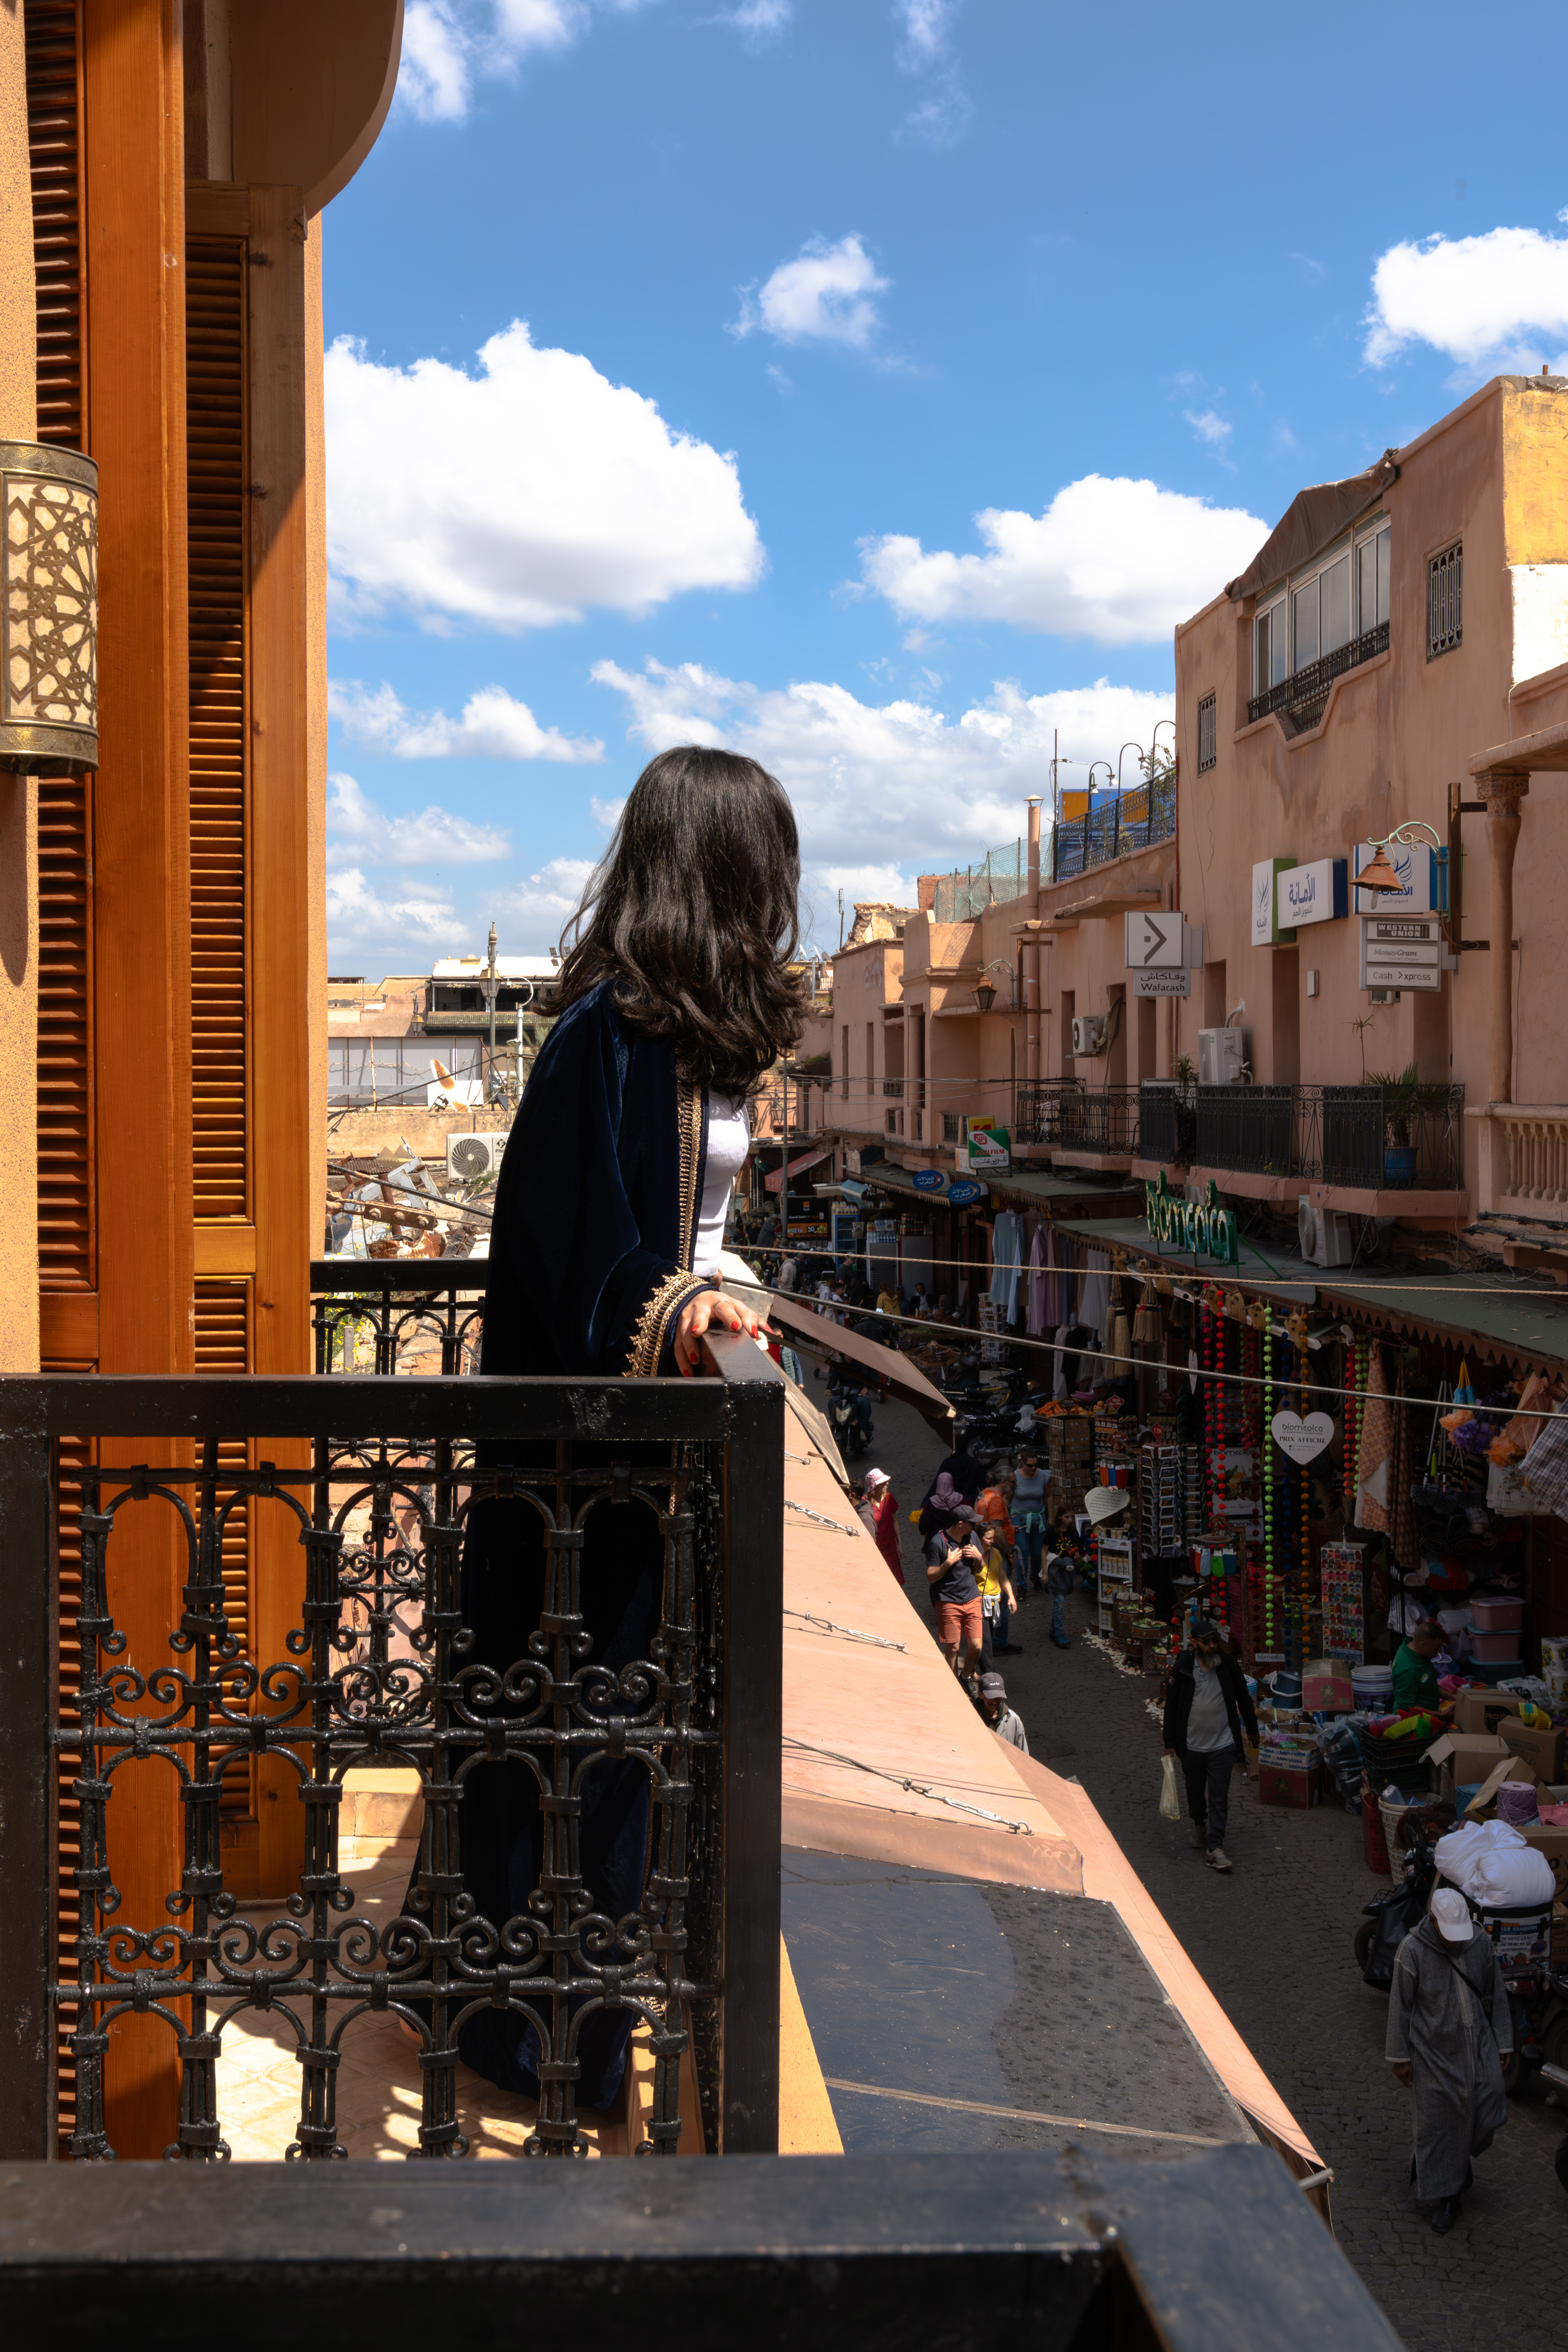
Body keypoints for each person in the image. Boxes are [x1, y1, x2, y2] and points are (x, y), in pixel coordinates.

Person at [443, 744, 800, 2117]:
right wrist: (684, 1311)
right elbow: (577, 1253)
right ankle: (526, 2037)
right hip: (581, 1466)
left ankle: (587, 2030)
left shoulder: (686, 1041)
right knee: (562, 1737)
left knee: (620, 1742)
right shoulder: (604, 1037)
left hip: (652, 1451)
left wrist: (724, 1297)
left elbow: (690, 1229)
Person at [1387, 1885, 1511, 2234]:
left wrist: (1503, 2043)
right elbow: (1400, 2006)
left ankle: (1457, 2160)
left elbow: (1495, 1992)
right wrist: (1400, 2057)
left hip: (1478, 2044)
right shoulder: (1412, 1950)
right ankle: (1448, 2198)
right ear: (1433, 1921)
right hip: (1433, 2052)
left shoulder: (1480, 1943)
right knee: (1439, 2122)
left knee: (1491, 2098)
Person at [1162, 1618, 1258, 1875]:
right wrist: (1169, 1741)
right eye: (1207, 1642)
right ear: (1195, 1643)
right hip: (1191, 1745)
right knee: (1195, 1792)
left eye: (1215, 1640)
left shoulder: (1227, 1664)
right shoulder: (1183, 1666)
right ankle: (1198, 1823)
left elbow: (1243, 1697)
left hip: (1223, 1744)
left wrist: (1252, 1729)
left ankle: (1215, 1847)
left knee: (1218, 1797)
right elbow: (1172, 1704)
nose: (1213, 1645)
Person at [925, 1504, 986, 1678]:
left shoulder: (973, 1537)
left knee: (977, 1646)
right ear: (961, 1524)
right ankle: (954, 1686)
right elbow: (931, 1577)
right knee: (953, 1649)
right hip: (948, 1601)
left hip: (972, 1599)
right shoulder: (938, 1542)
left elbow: (980, 1569)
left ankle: (965, 1677)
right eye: (972, 1523)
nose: (975, 1526)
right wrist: (948, 1563)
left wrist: (979, 1558)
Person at [975, 1472, 1021, 1651]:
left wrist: (1009, 1528)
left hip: (987, 1548)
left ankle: (989, 1640)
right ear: (1003, 1482)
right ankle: (998, 1643)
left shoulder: (984, 1493)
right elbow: (997, 1530)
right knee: (1001, 1600)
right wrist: (1009, 1553)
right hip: (998, 1551)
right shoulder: (996, 1500)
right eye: (1013, 1482)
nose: (1016, 1485)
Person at [973, 1528, 1018, 1671]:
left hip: (995, 1602)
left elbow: (1003, 1577)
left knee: (990, 1638)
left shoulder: (996, 1553)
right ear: (980, 1539)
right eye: (988, 1538)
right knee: (985, 1641)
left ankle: (973, 1668)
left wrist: (1011, 1597)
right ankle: (989, 1675)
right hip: (979, 1603)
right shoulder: (973, 1555)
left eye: (993, 1538)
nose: (992, 1541)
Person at [1013, 1450, 1049, 1591]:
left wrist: (1051, 1517)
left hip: (1038, 1519)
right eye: (1030, 1465)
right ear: (1022, 1463)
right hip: (1019, 1518)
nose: (1033, 1468)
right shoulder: (1015, 1477)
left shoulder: (1043, 1476)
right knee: (1023, 1553)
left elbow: (1049, 1496)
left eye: (1036, 1465)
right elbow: (1007, 1497)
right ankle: (1022, 1586)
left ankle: (1036, 1577)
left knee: (1038, 1552)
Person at [861, 1468, 905, 1585]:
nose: (887, 1484)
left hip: (890, 1549)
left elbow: (895, 1521)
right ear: (876, 1486)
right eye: (883, 1482)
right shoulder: (864, 1503)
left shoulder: (889, 1498)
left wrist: (900, 1545)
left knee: (896, 1583)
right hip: (876, 1552)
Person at [1392, 1620, 1444, 1712]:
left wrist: (1450, 1696)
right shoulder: (1408, 1669)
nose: (1439, 1652)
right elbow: (1406, 1708)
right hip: (1413, 1720)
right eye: (1437, 1649)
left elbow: (1427, 1685)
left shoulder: (1417, 1651)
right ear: (1422, 1645)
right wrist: (1441, 1716)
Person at [979, 1671, 1028, 1753]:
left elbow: (1024, 1756)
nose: (995, 1702)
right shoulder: (970, 1719)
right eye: (991, 1697)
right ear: (980, 1694)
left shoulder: (1014, 1720)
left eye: (998, 1697)